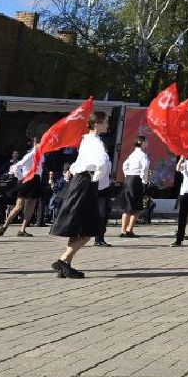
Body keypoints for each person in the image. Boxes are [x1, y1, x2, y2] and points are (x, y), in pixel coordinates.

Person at [49, 111, 112, 279]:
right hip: (85, 183)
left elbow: (80, 163)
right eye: (106, 121)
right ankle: (63, 260)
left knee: (81, 227)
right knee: (90, 227)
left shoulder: (88, 140)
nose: (108, 125)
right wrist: (96, 177)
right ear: (97, 123)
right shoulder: (94, 142)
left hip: (81, 182)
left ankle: (66, 264)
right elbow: (101, 163)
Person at [0, 138, 45, 237]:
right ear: (35, 145)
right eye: (40, 144)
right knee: (19, 206)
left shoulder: (42, 156)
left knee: (31, 206)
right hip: (27, 179)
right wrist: (21, 177)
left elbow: (40, 170)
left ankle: (22, 229)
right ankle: (5, 226)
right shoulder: (30, 155)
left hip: (36, 180)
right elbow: (16, 167)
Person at [117, 134, 150, 238]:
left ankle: (123, 230)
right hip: (136, 180)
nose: (147, 143)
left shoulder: (132, 154)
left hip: (128, 179)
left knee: (127, 206)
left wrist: (127, 174)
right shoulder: (143, 155)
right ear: (142, 143)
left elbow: (124, 165)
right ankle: (129, 229)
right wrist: (144, 180)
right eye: (146, 141)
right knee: (136, 207)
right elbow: (145, 168)